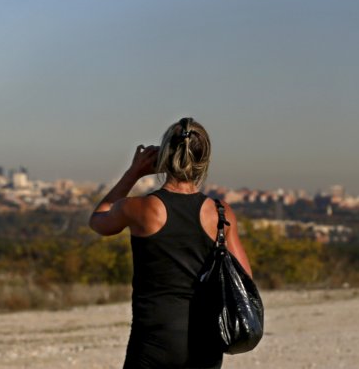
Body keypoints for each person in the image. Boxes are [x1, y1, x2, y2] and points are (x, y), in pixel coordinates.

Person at [89, 118, 252, 369]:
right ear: (204, 159)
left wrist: (133, 173)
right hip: (206, 341)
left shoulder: (140, 208)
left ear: (164, 156)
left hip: (154, 341)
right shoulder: (221, 214)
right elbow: (244, 280)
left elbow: (98, 220)